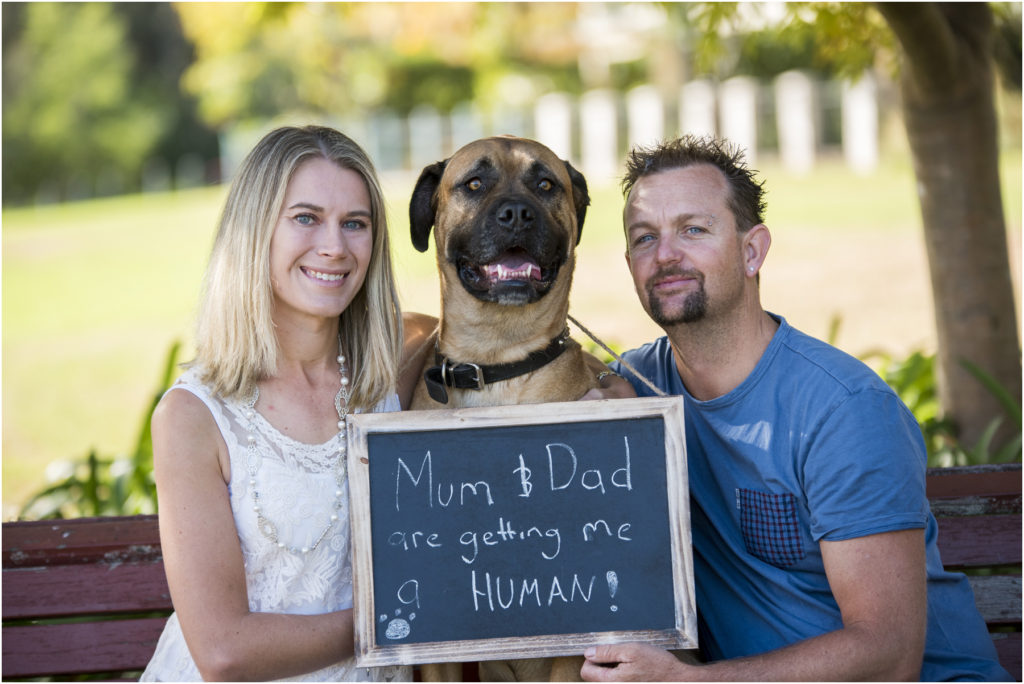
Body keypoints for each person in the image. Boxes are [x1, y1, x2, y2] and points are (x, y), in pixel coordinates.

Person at [580, 136, 1011, 682]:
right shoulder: (639, 389)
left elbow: (889, 655)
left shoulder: (842, 410)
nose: (665, 254)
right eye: (645, 238)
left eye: (694, 229)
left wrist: (689, 682)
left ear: (752, 251)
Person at [141, 125, 434, 681]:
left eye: (356, 224)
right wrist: (405, 618)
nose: (335, 247)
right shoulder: (195, 417)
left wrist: (597, 382)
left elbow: (492, 345)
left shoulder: (391, 369)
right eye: (306, 218)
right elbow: (224, 651)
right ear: (255, 232)